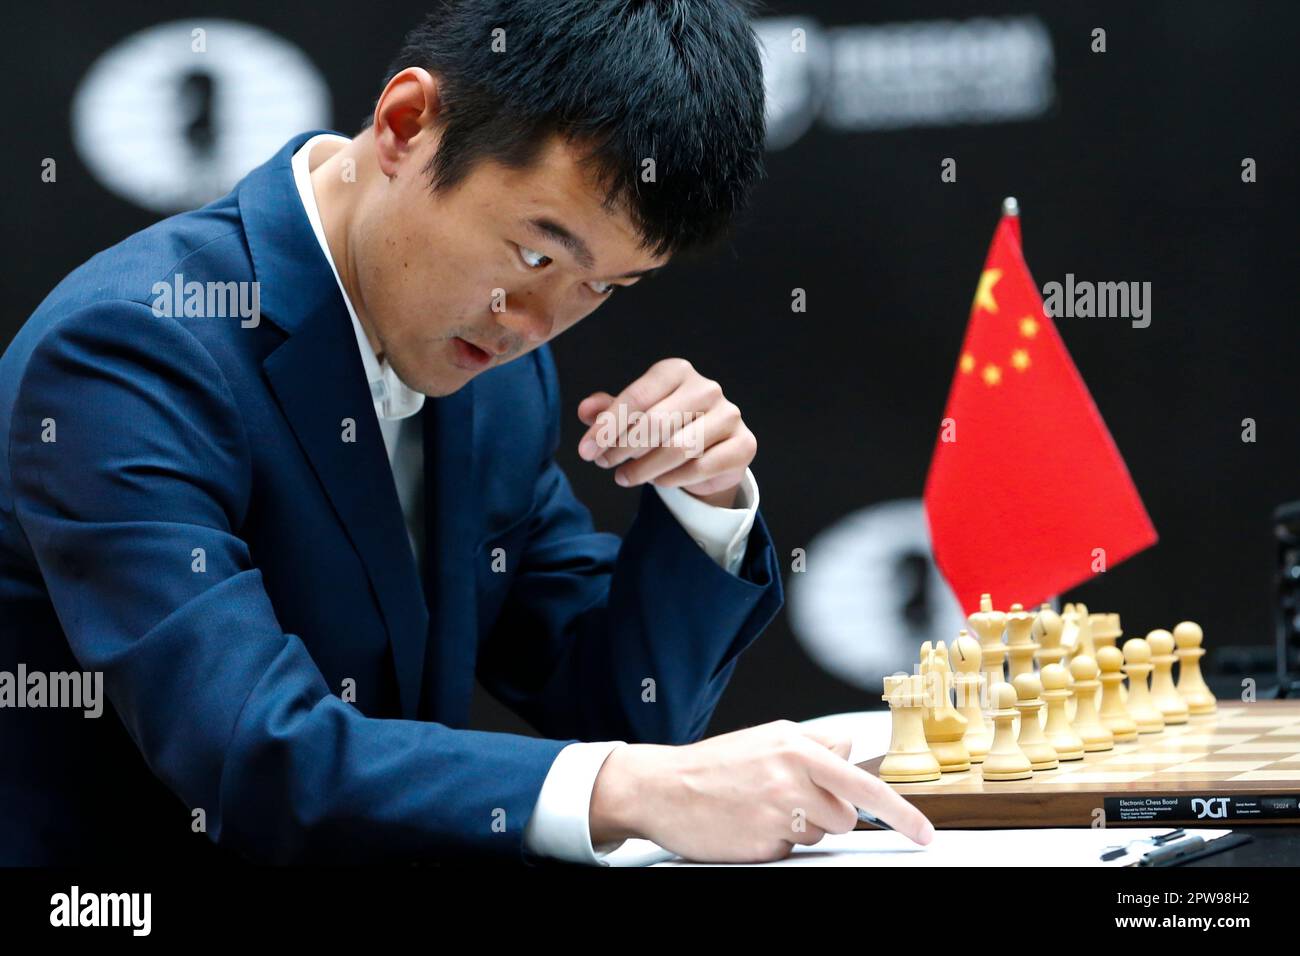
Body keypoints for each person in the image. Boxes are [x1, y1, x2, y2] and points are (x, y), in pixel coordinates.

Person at [0, 0, 933, 865]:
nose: (539, 321)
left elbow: (617, 705)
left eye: (604, 287)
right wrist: (624, 789)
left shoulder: (496, 361)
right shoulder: (130, 347)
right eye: (536, 253)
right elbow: (249, 750)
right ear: (407, 125)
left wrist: (704, 503)